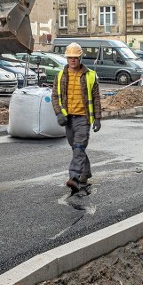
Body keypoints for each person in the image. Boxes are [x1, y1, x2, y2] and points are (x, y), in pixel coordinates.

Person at [51, 42, 102, 194]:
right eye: (70, 57)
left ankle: (74, 177)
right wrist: (59, 113)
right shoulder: (60, 76)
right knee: (76, 148)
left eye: (75, 57)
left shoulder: (90, 76)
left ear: (80, 58)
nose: (72, 60)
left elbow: (96, 98)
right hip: (68, 118)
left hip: (83, 118)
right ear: (67, 58)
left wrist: (97, 118)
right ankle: (85, 173)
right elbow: (54, 96)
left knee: (79, 146)